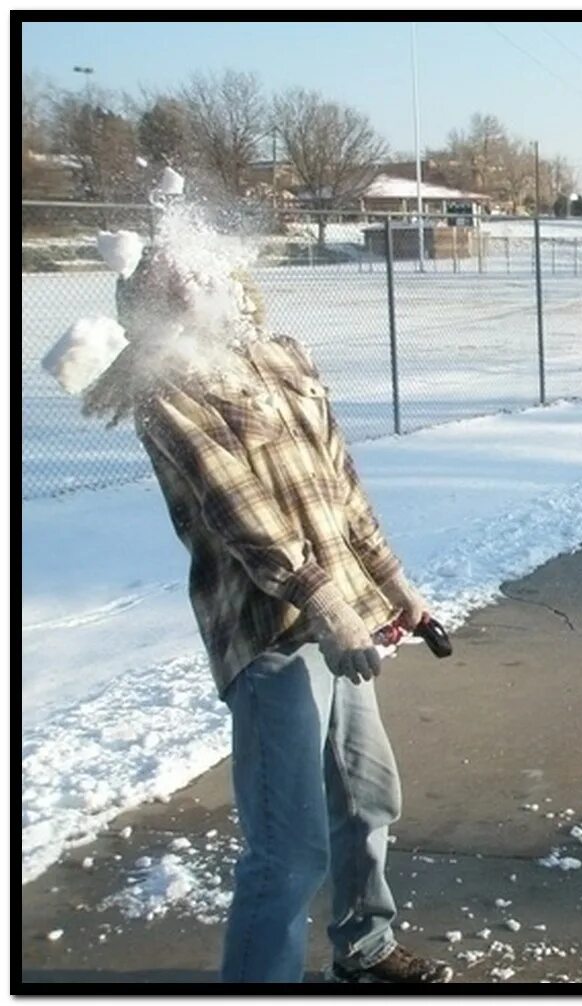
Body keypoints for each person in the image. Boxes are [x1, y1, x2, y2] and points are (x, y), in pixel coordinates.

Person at [83, 247, 451, 984]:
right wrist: (323, 605)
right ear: (156, 305)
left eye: (207, 270)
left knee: (367, 799)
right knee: (289, 844)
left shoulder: (280, 361)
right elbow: (239, 511)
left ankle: (365, 945)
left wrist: (392, 582)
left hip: (344, 617)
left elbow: (338, 485)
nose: (205, 286)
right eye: (180, 281)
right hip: (270, 634)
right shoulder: (168, 388)